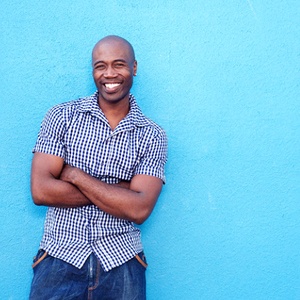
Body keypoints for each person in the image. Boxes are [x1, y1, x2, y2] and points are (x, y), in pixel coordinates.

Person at [29, 35, 167, 300]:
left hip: (122, 261)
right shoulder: (62, 117)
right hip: (59, 256)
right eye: (100, 66)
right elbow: (41, 191)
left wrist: (74, 175)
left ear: (134, 67)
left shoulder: (152, 135)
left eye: (119, 64)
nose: (109, 74)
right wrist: (121, 192)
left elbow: (138, 209)